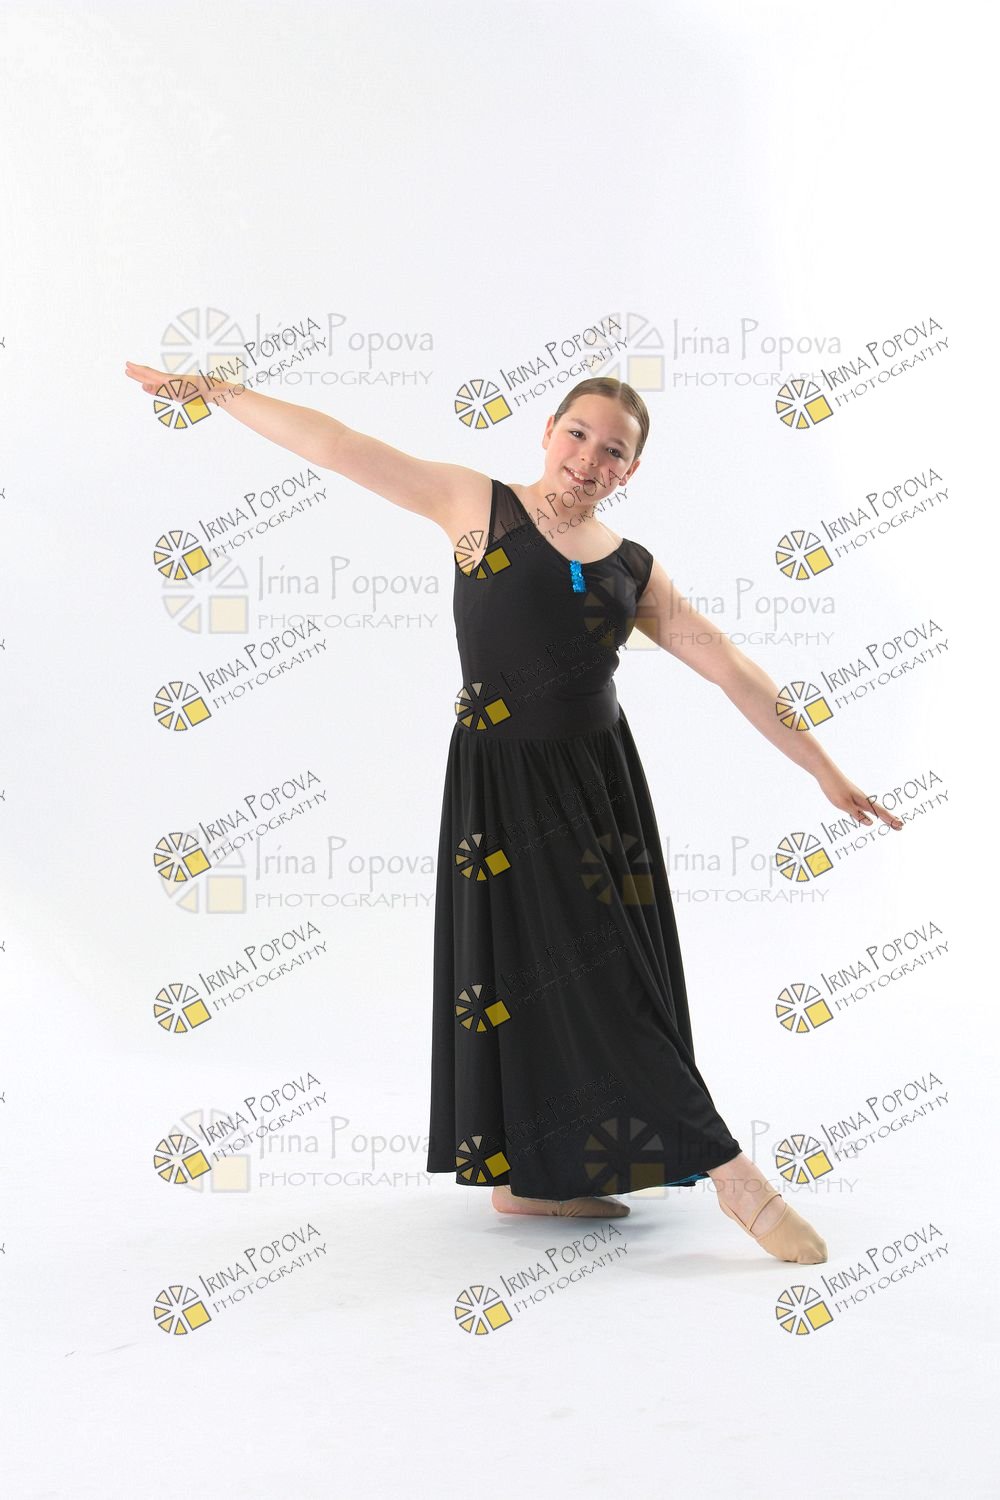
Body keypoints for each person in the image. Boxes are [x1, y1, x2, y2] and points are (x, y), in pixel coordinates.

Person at [124, 361, 903, 1265]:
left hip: (601, 789)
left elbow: (731, 667)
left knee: (610, 978)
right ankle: (731, 1180)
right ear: (548, 432)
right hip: (503, 787)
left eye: (614, 450)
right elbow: (338, 445)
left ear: (631, 470)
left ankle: (541, 1178)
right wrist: (218, 393)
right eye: (579, 434)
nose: (589, 458)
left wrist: (825, 770)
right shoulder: (475, 506)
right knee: (541, 975)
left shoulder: (633, 569)